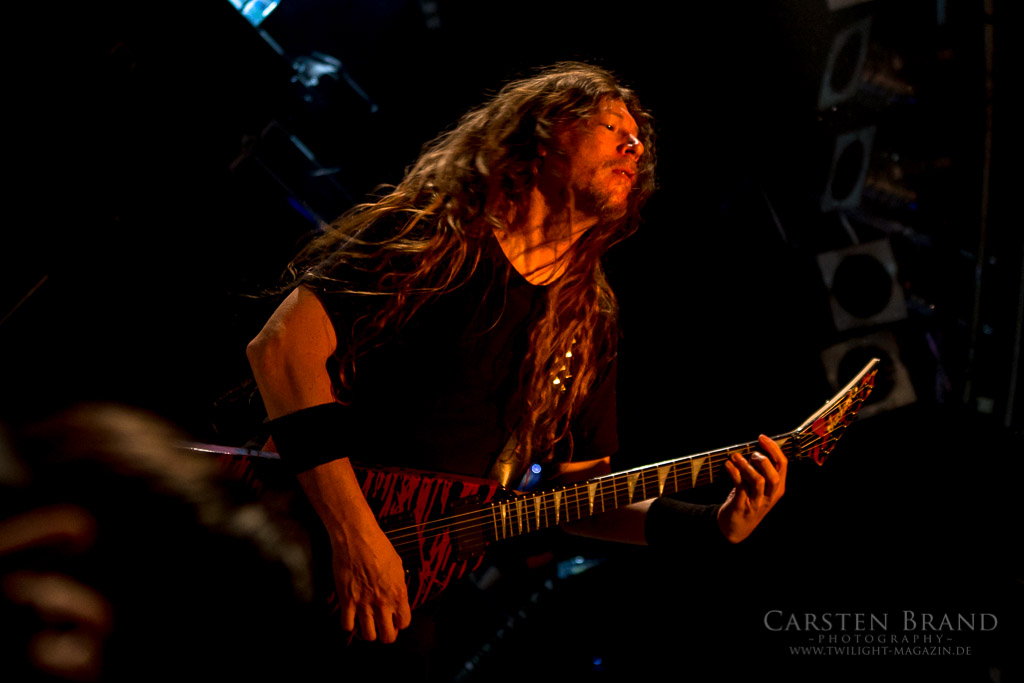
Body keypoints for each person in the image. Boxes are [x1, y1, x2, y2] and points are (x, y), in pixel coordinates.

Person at [246, 62, 787, 655]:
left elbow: (578, 497)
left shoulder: (588, 321)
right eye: (612, 127)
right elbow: (282, 349)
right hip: (287, 543)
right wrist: (355, 536)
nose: (634, 146)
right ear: (546, 134)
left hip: (401, 603)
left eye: (638, 140)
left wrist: (707, 525)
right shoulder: (437, 235)